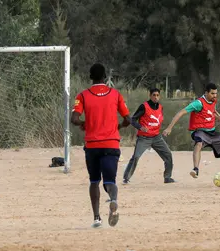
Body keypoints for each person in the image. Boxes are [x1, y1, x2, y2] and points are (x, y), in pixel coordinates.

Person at [71, 63, 131, 228]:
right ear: (105, 77)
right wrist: (120, 126)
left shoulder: (82, 95)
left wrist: (83, 123)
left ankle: (97, 217)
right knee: (110, 181)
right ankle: (113, 200)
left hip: (92, 145)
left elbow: (74, 119)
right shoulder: (115, 94)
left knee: (94, 181)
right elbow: (127, 118)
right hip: (111, 143)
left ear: (91, 77)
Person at [162, 83, 220, 186]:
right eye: (212, 93)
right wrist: (169, 128)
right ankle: (195, 169)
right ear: (206, 93)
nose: (215, 96)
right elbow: (181, 112)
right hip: (199, 131)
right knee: (199, 143)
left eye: (216, 93)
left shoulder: (213, 101)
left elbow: (214, 112)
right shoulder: (198, 103)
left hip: (212, 132)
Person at [122, 88, 175, 184]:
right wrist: (140, 127)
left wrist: (164, 130)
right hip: (144, 138)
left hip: (157, 137)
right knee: (136, 157)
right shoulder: (144, 106)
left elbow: (158, 120)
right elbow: (132, 119)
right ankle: (126, 178)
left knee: (168, 155)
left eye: (157, 95)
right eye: (154, 95)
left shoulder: (160, 107)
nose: (156, 97)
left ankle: (167, 177)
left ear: (160, 96)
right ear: (150, 96)